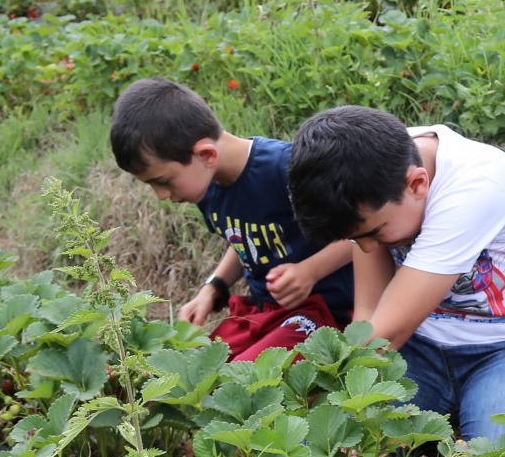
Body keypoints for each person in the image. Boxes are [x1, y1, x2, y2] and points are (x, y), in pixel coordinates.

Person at [286, 105, 505, 444]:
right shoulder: (372, 170)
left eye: (375, 233)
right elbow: (367, 317)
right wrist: (355, 412)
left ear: (418, 184)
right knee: (348, 444)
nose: (365, 250)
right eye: (355, 238)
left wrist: (348, 394)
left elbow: (388, 331)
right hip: (422, 344)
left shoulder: (478, 185)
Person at [110, 78, 355, 361]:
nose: (161, 195)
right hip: (265, 314)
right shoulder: (207, 188)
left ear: (206, 155)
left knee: (240, 377)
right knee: (188, 366)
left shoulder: (287, 169)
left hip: (325, 315)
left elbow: (362, 231)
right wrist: (213, 287)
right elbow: (242, 240)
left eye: (163, 181)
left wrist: (310, 270)